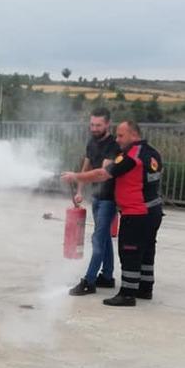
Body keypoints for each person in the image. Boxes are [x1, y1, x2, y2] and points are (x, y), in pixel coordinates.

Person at [68, 120, 163, 307]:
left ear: (134, 135)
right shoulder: (153, 153)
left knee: (130, 253)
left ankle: (127, 294)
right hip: (153, 210)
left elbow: (102, 174)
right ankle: (145, 289)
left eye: (121, 135)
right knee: (146, 252)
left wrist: (76, 177)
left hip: (137, 213)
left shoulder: (131, 156)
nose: (117, 140)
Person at [60, 107, 120, 296]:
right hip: (96, 197)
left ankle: (89, 281)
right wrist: (79, 191)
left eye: (98, 125)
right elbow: (86, 166)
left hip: (109, 199)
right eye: (92, 124)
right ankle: (107, 277)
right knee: (103, 239)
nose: (94, 128)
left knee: (98, 239)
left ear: (108, 124)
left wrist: (76, 176)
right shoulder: (91, 142)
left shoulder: (113, 146)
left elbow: (103, 174)